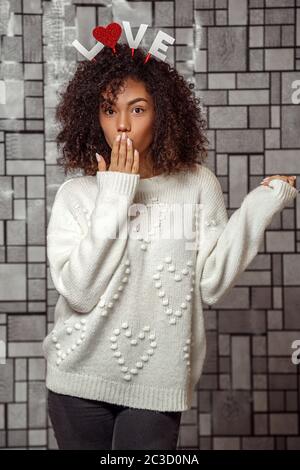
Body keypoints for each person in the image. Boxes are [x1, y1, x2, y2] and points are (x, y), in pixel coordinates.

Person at [43, 43, 298, 450]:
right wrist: (116, 193)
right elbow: (79, 291)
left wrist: (260, 207)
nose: (122, 124)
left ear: (162, 112)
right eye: (109, 110)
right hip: (77, 381)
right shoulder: (77, 194)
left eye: (138, 109)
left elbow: (211, 285)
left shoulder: (197, 183)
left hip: (157, 383)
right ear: (94, 117)